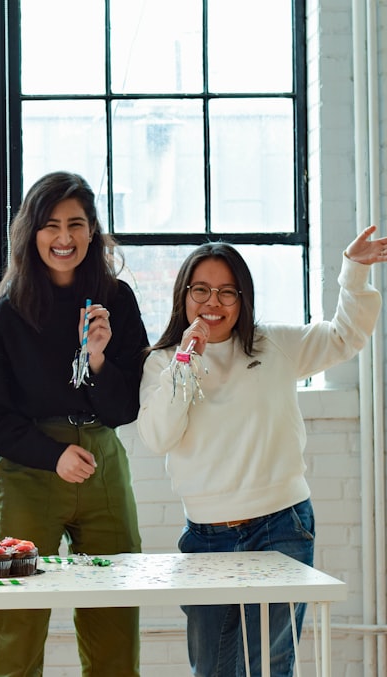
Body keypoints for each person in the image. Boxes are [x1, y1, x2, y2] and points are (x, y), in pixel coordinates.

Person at [136, 228, 387, 677]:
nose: (213, 302)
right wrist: (185, 362)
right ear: (184, 295)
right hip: (206, 538)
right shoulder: (163, 362)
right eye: (201, 290)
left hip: (281, 526)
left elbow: (344, 337)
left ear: (242, 298)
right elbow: (158, 438)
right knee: (212, 668)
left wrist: (354, 271)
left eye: (226, 292)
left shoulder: (274, 346)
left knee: (270, 665)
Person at [0, 171, 148, 676]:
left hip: (103, 464)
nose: (64, 238)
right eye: (50, 225)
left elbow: (128, 408)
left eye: (75, 224)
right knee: (19, 621)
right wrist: (53, 455)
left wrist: (97, 361)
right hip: (30, 472)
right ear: (32, 232)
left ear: (93, 231)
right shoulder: (9, 311)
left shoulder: (119, 300)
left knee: (114, 614)